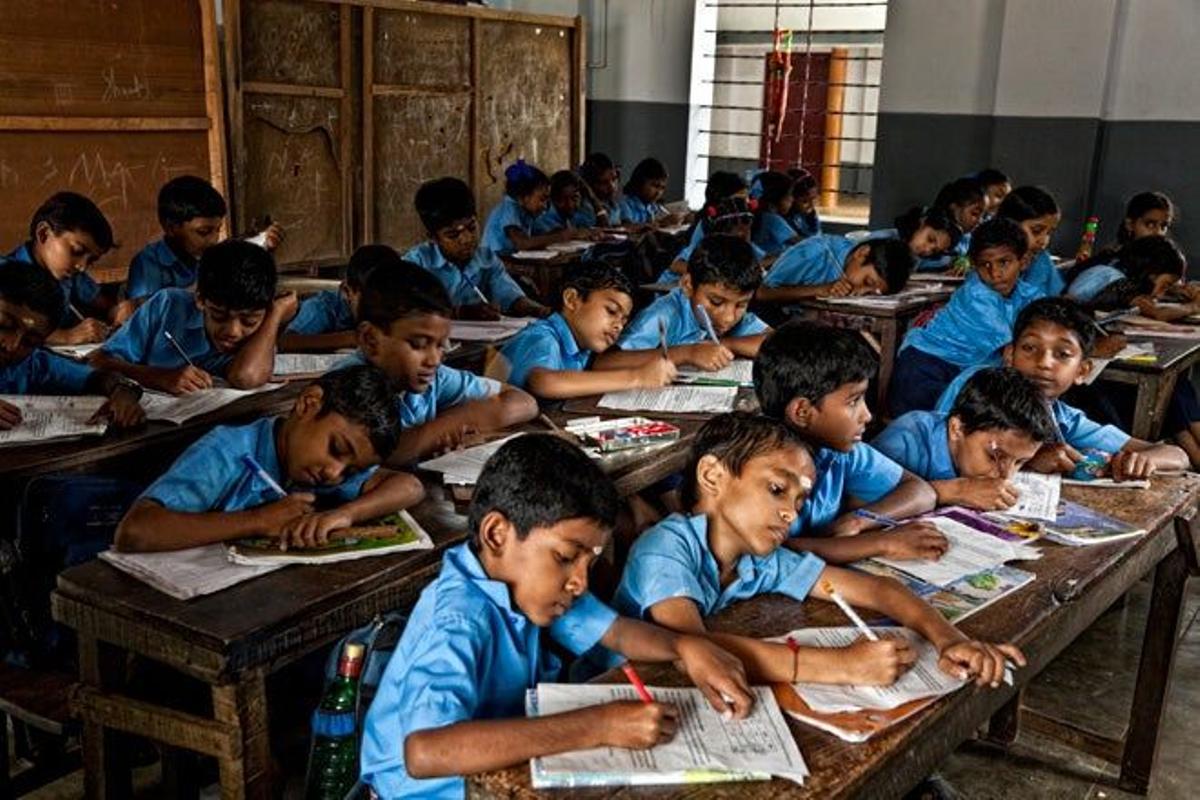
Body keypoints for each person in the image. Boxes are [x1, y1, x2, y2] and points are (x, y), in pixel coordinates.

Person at [359, 434, 754, 798]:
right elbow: (426, 751)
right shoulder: (459, 619)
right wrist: (600, 725)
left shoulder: (528, 587)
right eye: (566, 558)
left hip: (500, 773)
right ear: (497, 534)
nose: (579, 581)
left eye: (588, 561)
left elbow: (617, 633)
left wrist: (686, 647)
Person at [115, 365, 425, 552]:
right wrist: (258, 522)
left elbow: (409, 486)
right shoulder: (228, 450)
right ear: (309, 404)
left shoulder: (323, 470)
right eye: (336, 449)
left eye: (351, 471)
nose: (334, 473)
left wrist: (345, 515)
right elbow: (135, 531)